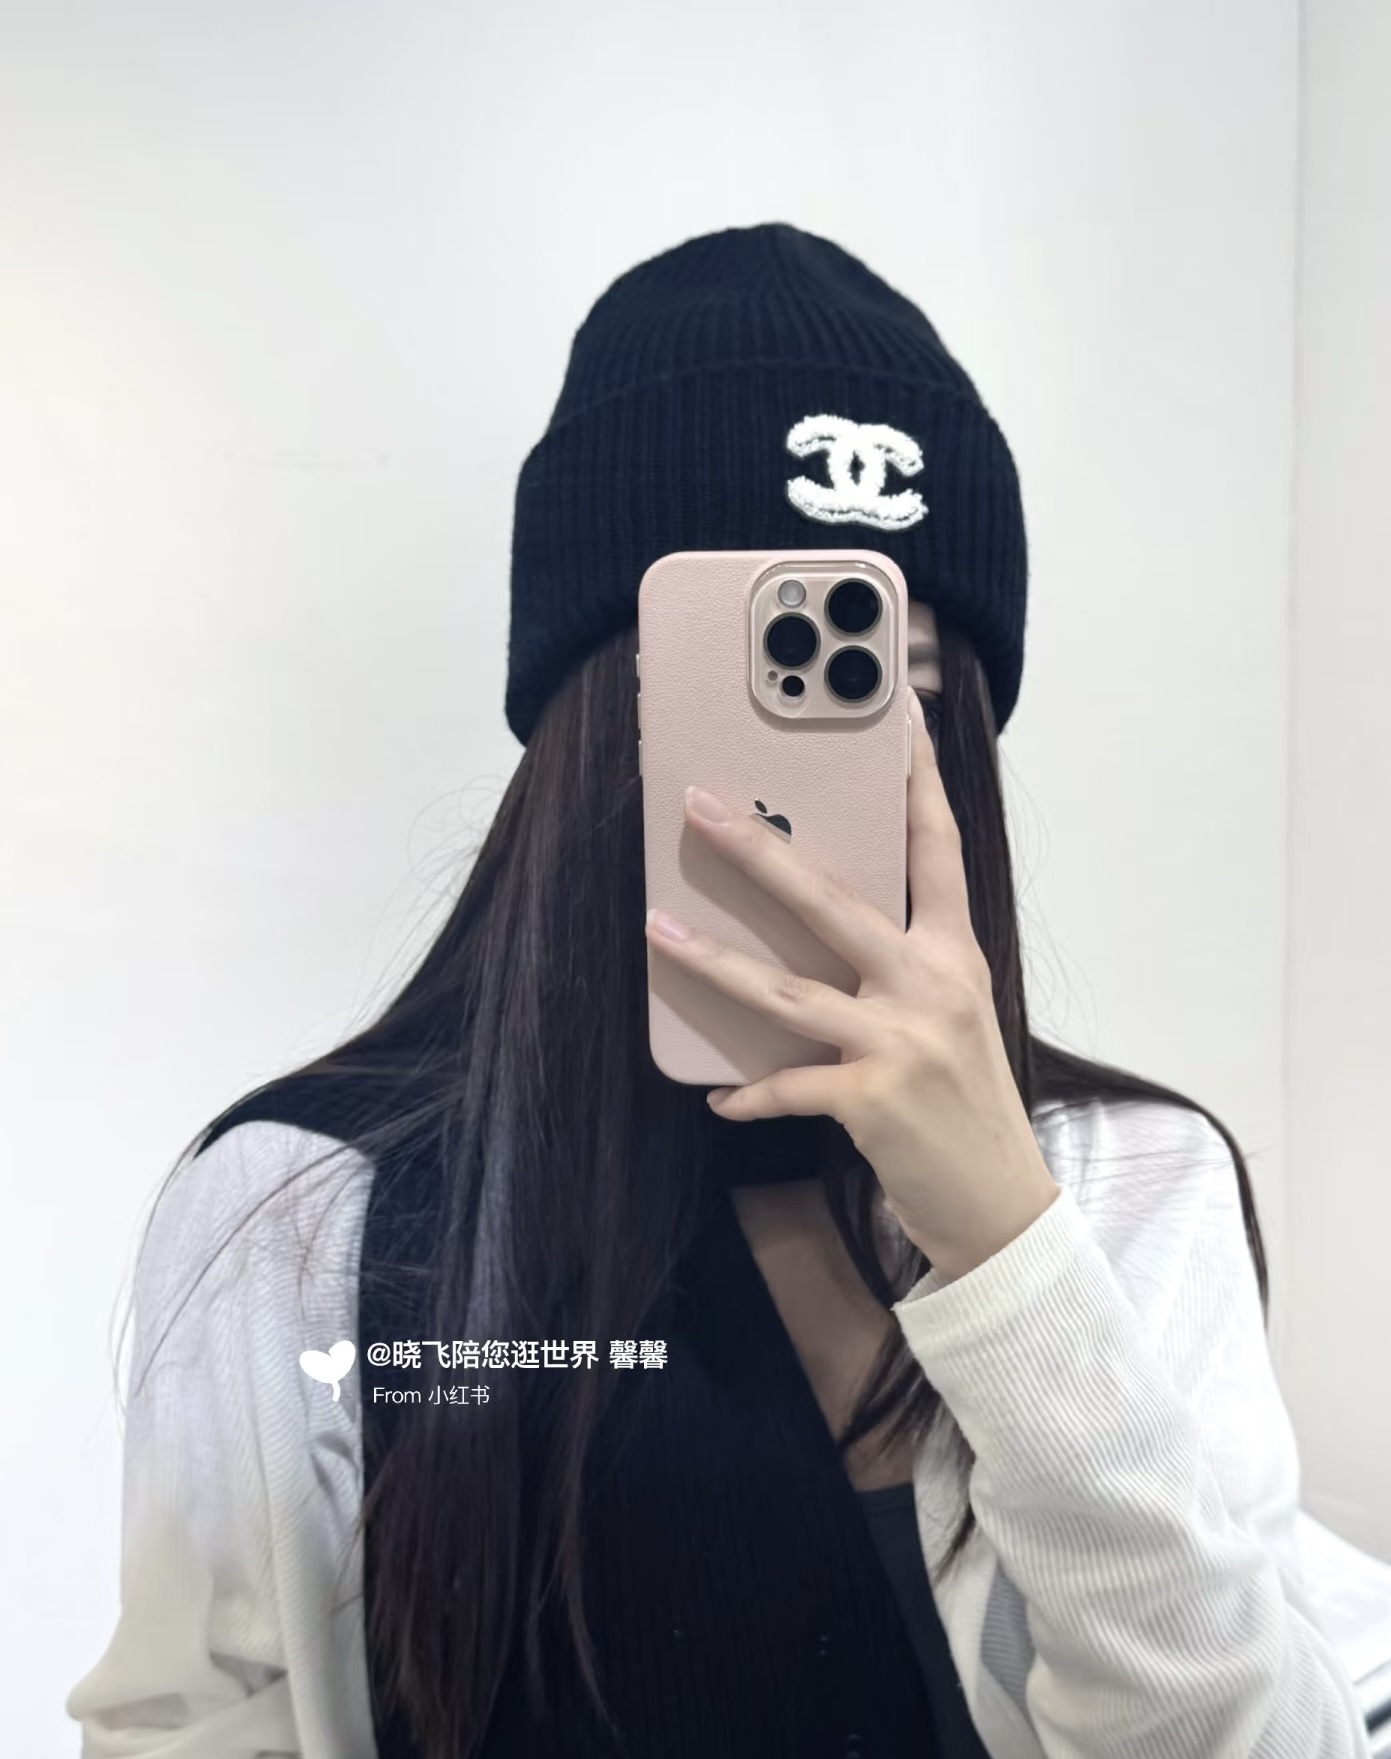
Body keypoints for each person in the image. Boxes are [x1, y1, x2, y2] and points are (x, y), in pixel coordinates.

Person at [66, 222, 1373, 1759]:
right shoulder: (310, 1214)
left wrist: (1012, 1254)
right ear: (587, 713)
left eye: (894, 684)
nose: (810, 784)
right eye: (724, 687)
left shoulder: (1126, 1186)